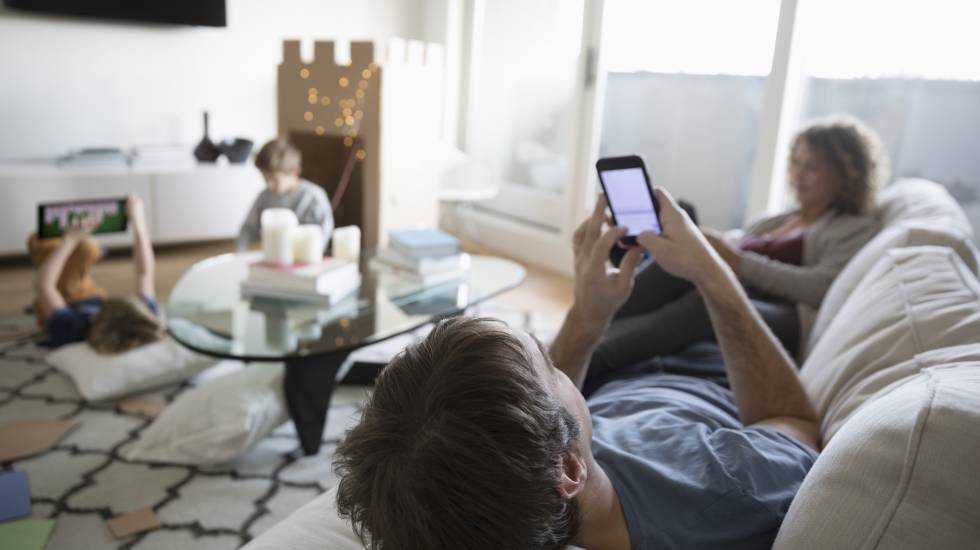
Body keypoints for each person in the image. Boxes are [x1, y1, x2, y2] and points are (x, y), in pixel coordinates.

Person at [333, 188, 821, 549]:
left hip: (622, 383)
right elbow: (796, 424)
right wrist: (713, 271)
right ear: (568, 469)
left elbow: (533, 426)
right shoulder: (723, 487)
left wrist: (589, 316)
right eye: (549, 366)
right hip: (704, 369)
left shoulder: (486, 498)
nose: (558, 363)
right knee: (686, 272)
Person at [586, 115, 888, 390]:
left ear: (847, 174)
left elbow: (819, 287)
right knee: (679, 251)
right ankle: (592, 327)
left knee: (709, 296)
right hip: (738, 282)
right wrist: (701, 242)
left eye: (812, 167)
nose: (798, 175)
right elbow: (740, 243)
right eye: (795, 163)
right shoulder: (784, 218)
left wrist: (733, 260)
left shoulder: (851, 227)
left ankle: (595, 354)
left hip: (782, 313)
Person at [32, 194, 163, 352]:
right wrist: (138, 219)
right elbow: (144, 272)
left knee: (38, 241)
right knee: (85, 250)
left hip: (61, 299)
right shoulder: (143, 321)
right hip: (91, 293)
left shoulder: (73, 328)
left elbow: (43, 285)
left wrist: (70, 239)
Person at [237, 138, 334, 252]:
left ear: (295, 172)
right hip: (269, 261)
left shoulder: (314, 197)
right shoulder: (264, 197)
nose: (269, 185)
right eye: (265, 178)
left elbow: (321, 237)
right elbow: (248, 230)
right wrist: (242, 252)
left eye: (274, 179)